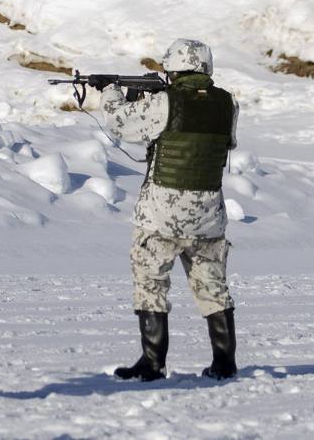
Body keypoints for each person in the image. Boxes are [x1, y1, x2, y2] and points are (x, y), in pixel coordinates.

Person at [101, 38, 240, 381]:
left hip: (162, 213)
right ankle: (225, 362)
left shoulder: (165, 100)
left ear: (173, 67)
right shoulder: (227, 103)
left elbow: (122, 125)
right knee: (213, 286)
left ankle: (152, 362)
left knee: (151, 282)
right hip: (208, 213)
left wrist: (110, 93)